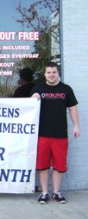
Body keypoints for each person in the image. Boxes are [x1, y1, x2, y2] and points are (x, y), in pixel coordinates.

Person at [30, 62, 80, 204]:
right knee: (43, 164)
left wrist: (76, 125)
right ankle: (45, 193)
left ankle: (56, 192)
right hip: (42, 134)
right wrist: (33, 99)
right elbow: (28, 106)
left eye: (54, 72)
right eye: (49, 72)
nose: (51, 75)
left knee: (59, 165)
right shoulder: (38, 88)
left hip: (60, 135)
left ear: (58, 73)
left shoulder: (66, 89)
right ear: (45, 74)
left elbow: (73, 109)